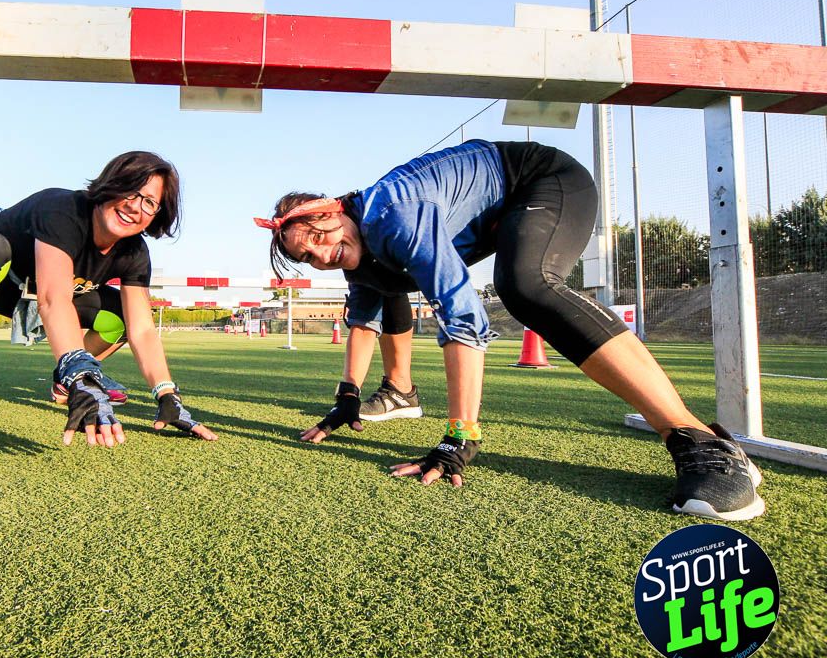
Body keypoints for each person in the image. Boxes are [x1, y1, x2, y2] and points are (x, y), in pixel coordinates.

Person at [256, 140, 764, 521]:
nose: (320, 253)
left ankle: (699, 441)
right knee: (388, 282)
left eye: (318, 235)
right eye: (307, 256)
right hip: (502, 213)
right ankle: (400, 392)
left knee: (525, 285)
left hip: (544, 180)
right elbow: (363, 318)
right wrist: (347, 395)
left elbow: (462, 316)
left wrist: (460, 436)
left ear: (333, 210)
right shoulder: (359, 249)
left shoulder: (393, 216)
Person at [0, 150, 218, 457]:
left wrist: (166, 393)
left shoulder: (134, 252)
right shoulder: (63, 209)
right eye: (130, 191)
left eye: (149, 202)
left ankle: (65, 379)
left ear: (157, 214)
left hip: (47, 292)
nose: (135, 206)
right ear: (109, 185)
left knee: (122, 314)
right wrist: (79, 370)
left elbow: (143, 329)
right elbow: (53, 299)